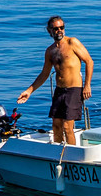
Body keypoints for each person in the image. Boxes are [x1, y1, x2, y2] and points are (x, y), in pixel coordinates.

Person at [17, 16, 93, 147]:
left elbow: (89, 62)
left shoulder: (72, 43)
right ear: (49, 31)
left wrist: (87, 85)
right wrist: (29, 91)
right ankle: (58, 155)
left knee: (67, 126)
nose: (59, 31)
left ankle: (71, 156)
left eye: (61, 28)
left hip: (74, 89)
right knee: (56, 125)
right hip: (59, 91)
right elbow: (44, 74)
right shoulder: (50, 51)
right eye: (56, 29)